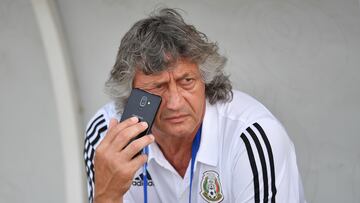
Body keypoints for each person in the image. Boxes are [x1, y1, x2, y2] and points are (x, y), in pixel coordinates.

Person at [84, 8, 306, 203]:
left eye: (187, 81)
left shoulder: (252, 135)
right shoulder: (106, 133)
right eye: (157, 86)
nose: (175, 102)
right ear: (130, 94)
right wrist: (108, 196)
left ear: (205, 80)